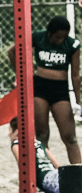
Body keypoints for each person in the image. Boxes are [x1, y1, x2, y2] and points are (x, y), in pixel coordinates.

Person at [8, 16, 81, 165]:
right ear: (50, 33)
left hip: (60, 90)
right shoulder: (39, 37)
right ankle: (45, 172)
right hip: (40, 88)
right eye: (57, 37)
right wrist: (20, 76)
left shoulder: (72, 45)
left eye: (63, 37)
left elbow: (75, 75)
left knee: (70, 137)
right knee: (41, 135)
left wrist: (78, 100)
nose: (60, 40)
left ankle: (78, 173)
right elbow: (12, 51)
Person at [8, 119, 62, 193]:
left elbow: (23, 167)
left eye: (9, 130)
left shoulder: (16, 144)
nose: (8, 134)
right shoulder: (39, 144)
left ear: (16, 132)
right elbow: (57, 165)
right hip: (55, 174)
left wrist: (22, 192)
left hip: (46, 180)